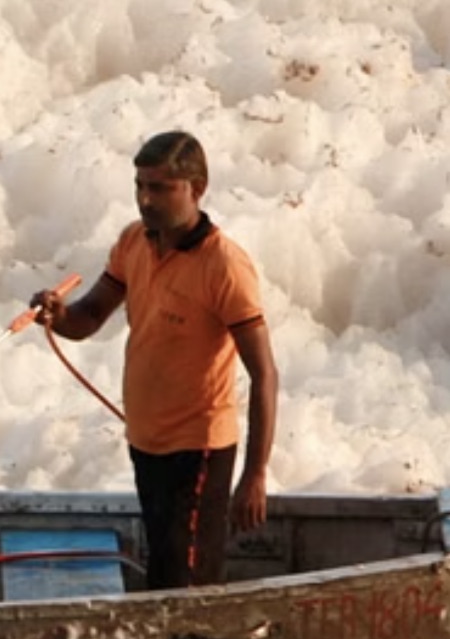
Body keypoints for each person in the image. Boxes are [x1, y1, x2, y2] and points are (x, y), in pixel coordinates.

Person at [33, 130, 278, 589]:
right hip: (146, 442)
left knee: (184, 587)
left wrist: (255, 474)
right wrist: (56, 314)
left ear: (196, 189)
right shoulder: (133, 242)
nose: (146, 199)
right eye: (140, 186)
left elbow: (264, 375)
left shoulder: (224, 265)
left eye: (160, 188)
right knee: (167, 573)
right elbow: (88, 317)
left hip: (199, 448)